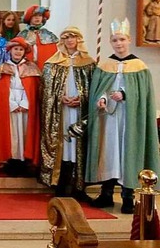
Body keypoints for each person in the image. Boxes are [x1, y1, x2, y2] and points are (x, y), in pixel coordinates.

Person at [85, 18, 160, 214]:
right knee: (109, 153)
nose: (118, 44)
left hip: (129, 119)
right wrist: (101, 99)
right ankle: (106, 193)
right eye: (115, 40)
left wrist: (125, 95)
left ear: (128, 40)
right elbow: (99, 89)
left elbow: (144, 95)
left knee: (128, 152)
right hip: (109, 118)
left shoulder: (139, 66)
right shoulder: (105, 65)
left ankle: (128, 196)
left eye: (122, 39)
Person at [40, 27, 95, 199]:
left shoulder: (89, 63)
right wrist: (59, 98)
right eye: (67, 37)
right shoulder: (53, 63)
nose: (70, 40)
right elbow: (46, 90)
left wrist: (82, 99)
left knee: (78, 144)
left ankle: (79, 188)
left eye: (74, 37)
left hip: (79, 111)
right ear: (62, 40)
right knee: (64, 145)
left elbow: (95, 89)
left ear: (79, 40)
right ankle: (61, 185)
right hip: (61, 111)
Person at [0, 37, 41, 177]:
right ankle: (13, 161)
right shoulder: (4, 67)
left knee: (25, 134)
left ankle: (25, 162)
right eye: (16, 49)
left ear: (24, 52)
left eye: (21, 49)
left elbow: (33, 89)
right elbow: (2, 90)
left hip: (26, 107)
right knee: (12, 134)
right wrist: (13, 104)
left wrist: (24, 104)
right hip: (10, 107)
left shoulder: (31, 67)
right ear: (10, 50)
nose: (18, 52)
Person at [17, 5, 58, 70]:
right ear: (29, 17)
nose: (37, 18)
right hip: (27, 70)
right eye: (35, 16)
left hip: (45, 69)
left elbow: (54, 55)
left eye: (40, 16)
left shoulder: (49, 35)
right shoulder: (22, 35)